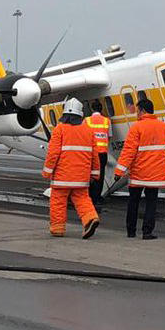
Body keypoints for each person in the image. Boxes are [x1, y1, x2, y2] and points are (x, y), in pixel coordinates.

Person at [114, 98, 165, 239]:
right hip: (156, 175)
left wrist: (119, 172)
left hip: (138, 174)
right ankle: (147, 232)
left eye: (137, 111)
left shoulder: (136, 127)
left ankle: (131, 231)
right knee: (151, 204)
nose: (137, 114)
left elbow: (128, 152)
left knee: (133, 202)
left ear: (142, 111)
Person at [42, 98, 101, 239]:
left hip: (62, 177)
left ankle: (57, 228)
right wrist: (95, 174)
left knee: (58, 201)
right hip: (81, 177)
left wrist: (47, 171)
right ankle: (90, 218)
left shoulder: (59, 129)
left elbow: (53, 153)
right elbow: (95, 155)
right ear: (80, 114)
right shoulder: (88, 131)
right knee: (82, 199)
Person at [85, 101, 111, 207]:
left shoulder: (87, 120)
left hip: (91, 153)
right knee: (100, 176)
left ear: (92, 109)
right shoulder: (106, 121)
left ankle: (88, 195)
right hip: (102, 153)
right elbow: (109, 136)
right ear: (101, 109)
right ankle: (97, 197)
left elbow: (83, 134)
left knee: (89, 175)